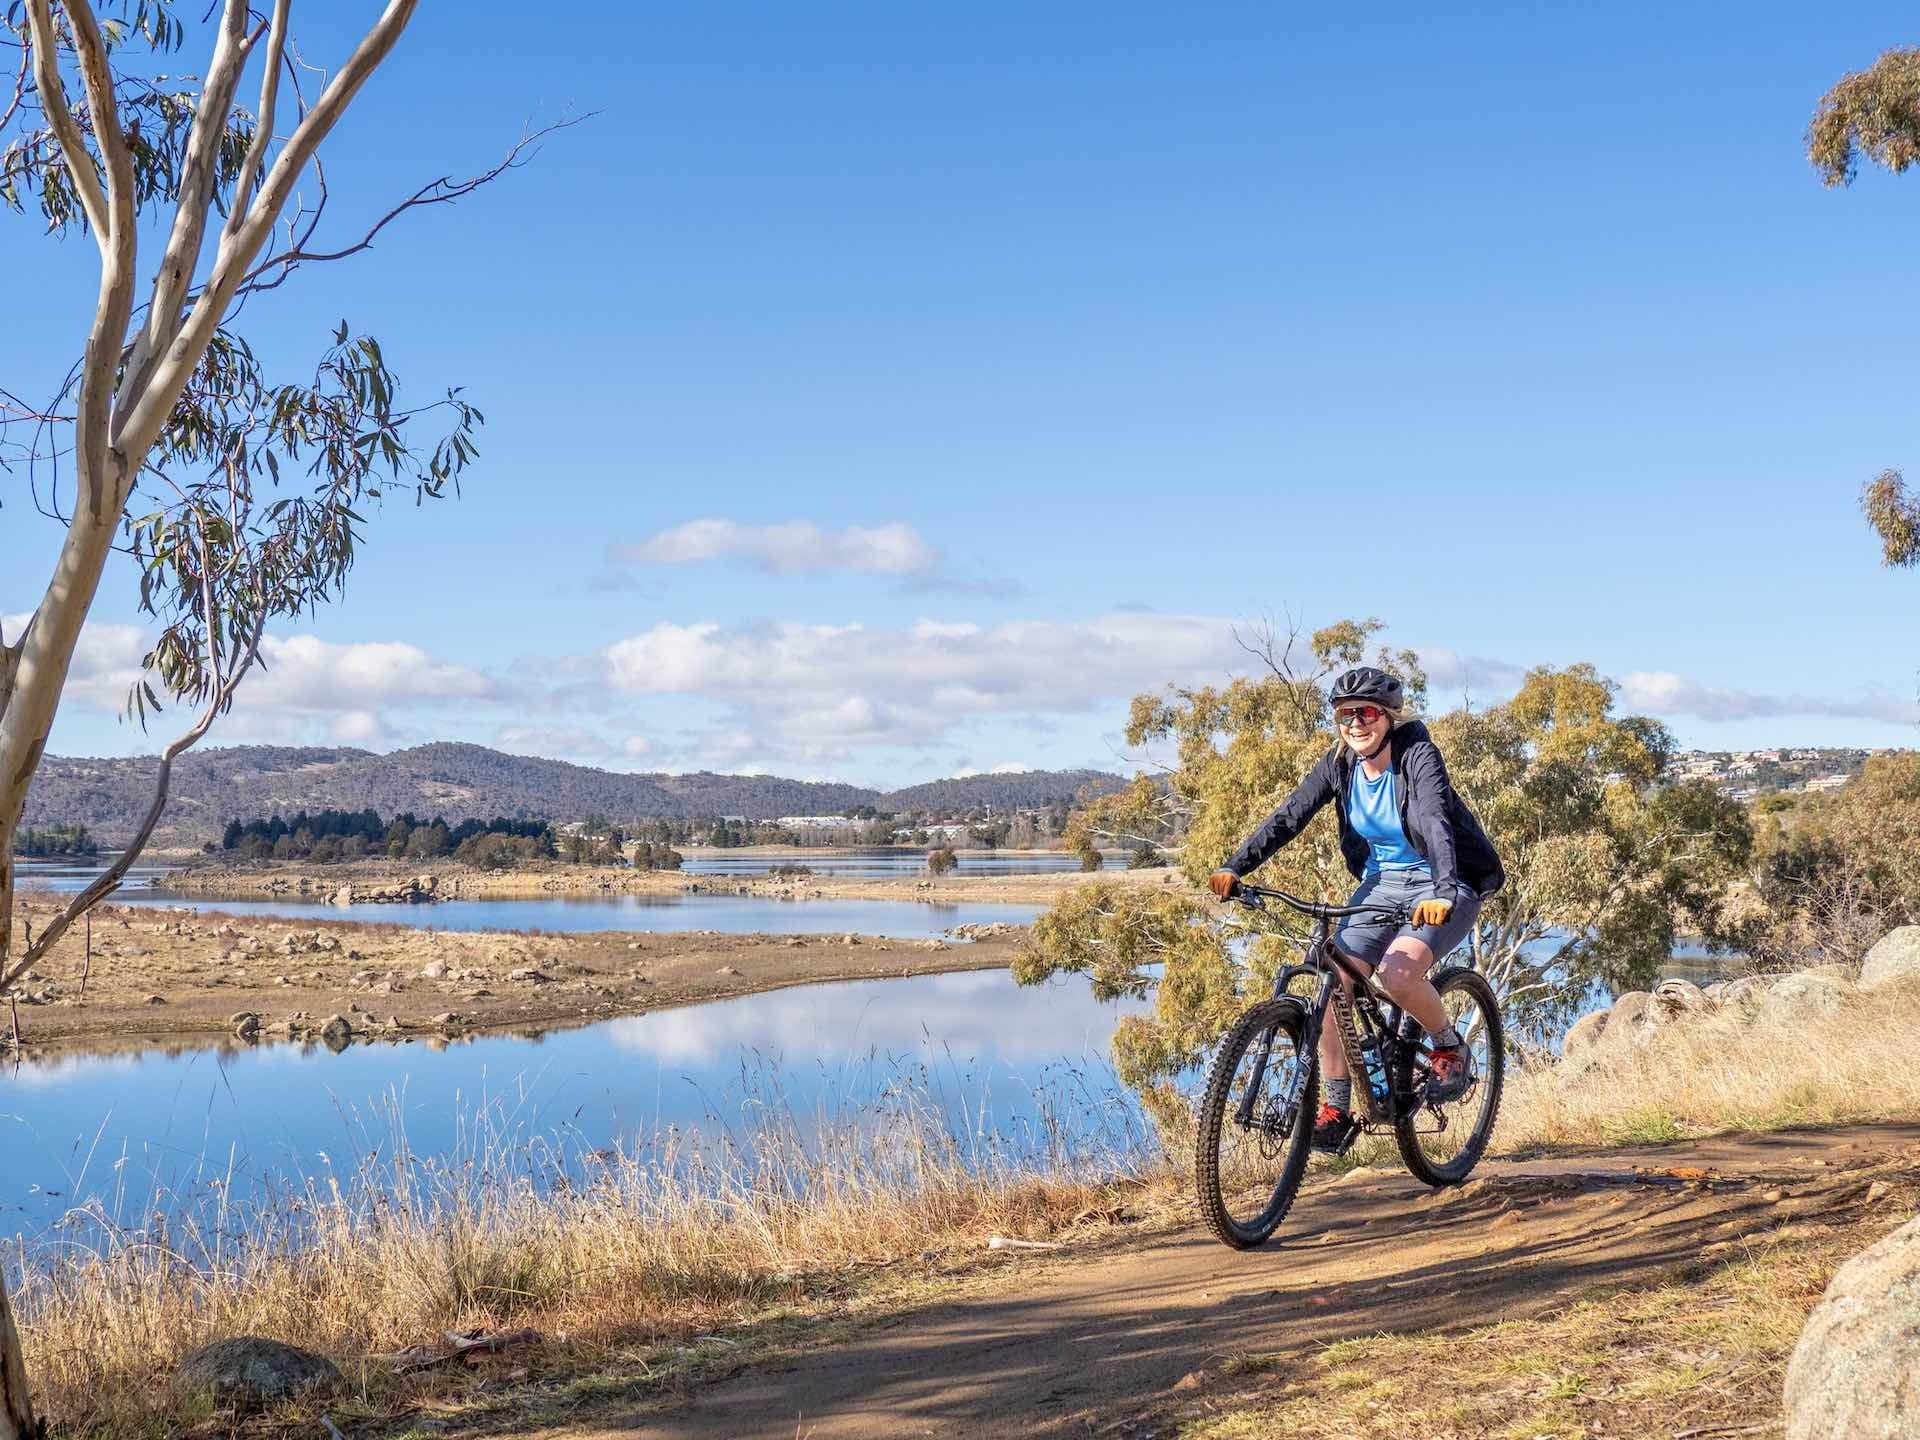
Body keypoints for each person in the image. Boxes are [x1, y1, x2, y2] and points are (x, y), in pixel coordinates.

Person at [1207, 665, 1505, 1153]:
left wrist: (1444, 892)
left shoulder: (1417, 756)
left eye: (1365, 712)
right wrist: (1235, 866)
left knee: (1399, 974)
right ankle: (1337, 1109)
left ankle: (1448, 1046)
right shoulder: (1339, 764)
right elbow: (1289, 816)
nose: (1356, 724)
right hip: (1380, 885)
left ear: (1387, 715)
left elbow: (1435, 822)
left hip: (1444, 881)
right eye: (1345, 715)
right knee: (1334, 979)